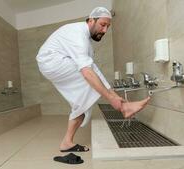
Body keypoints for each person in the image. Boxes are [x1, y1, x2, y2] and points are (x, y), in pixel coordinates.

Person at [36, 7, 150, 152]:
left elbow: (91, 72)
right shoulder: (78, 35)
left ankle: (67, 142)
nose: (105, 30)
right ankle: (123, 107)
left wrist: (112, 95)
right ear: (91, 20)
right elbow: (87, 72)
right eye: (103, 25)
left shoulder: (85, 40)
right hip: (50, 61)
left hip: (56, 63)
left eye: (108, 26)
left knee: (83, 100)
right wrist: (111, 97)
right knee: (90, 71)